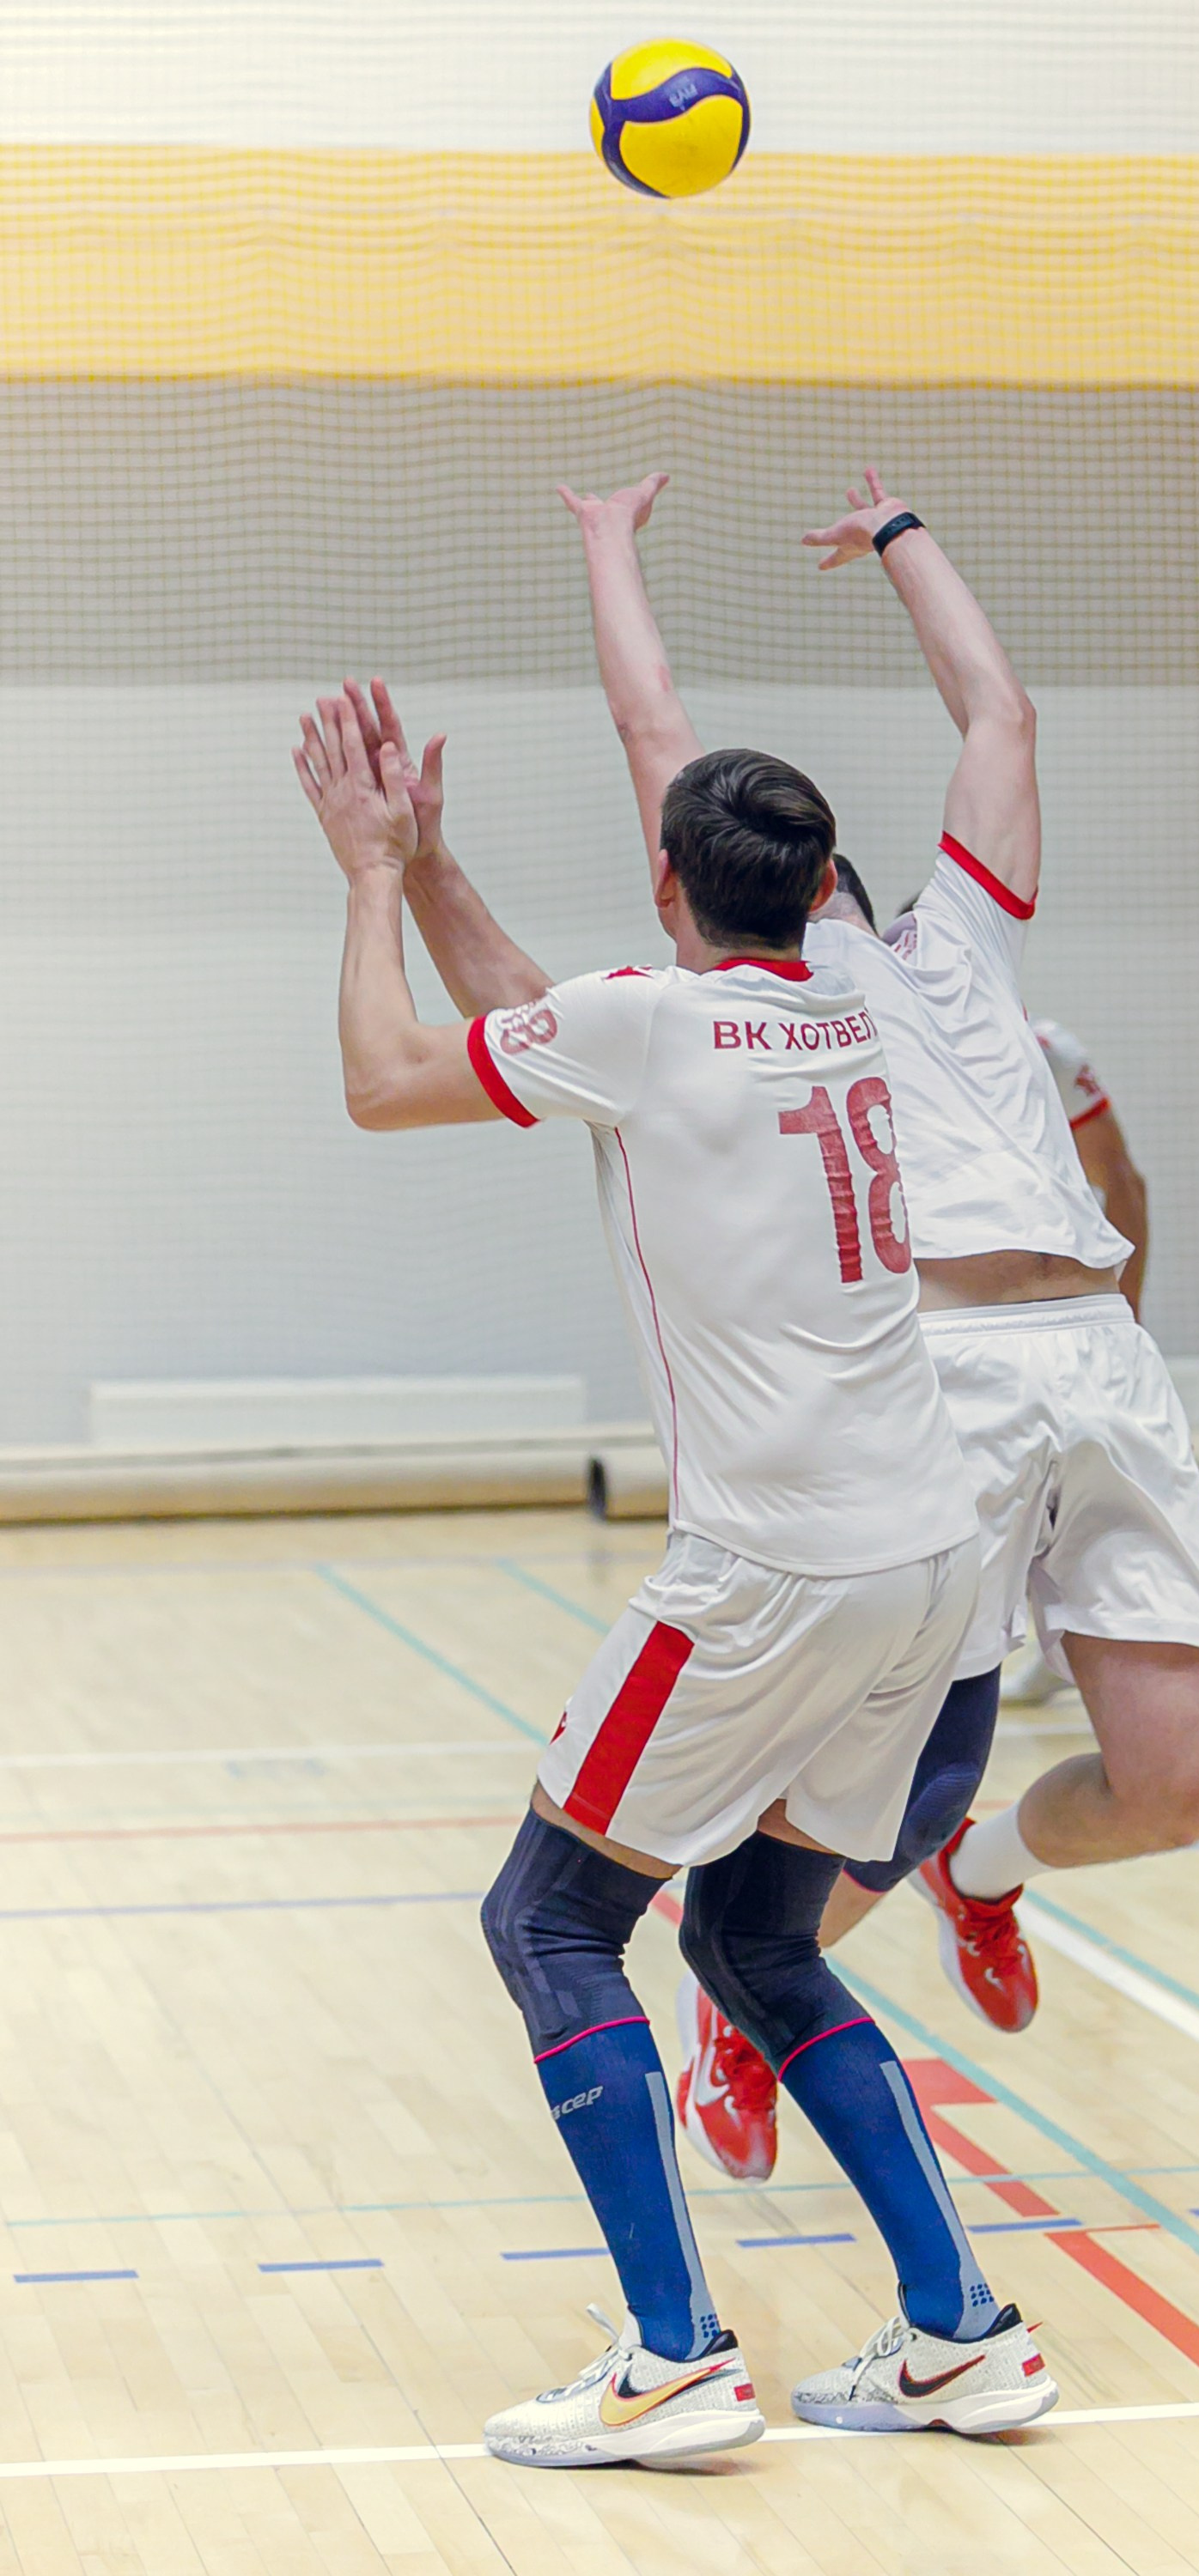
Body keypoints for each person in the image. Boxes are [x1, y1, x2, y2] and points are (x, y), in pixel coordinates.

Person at [291, 626, 1056, 2464]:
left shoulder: (654, 1024)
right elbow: (569, 1036)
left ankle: (672, 2354)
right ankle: (961, 2333)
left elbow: (389, 1074)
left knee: (551, 1922)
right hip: (933, 1570)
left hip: (771, 1572)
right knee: (759, 1945)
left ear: (664, 882)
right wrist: (448, 871)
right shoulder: (831, 1010)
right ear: (817, 883)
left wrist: (374, 878)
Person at [565, 467, 1199, 2190]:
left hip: (1100, 1365)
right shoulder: (752, 1004)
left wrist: (903, 538)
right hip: (937, 1382)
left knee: (1174, 1786)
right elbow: (660, 740)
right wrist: (606, 543)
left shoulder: (970, 953)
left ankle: (991, 1876)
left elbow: (997, 709)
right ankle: (747, 1995)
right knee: (913, 1772)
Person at [1004, 1017, 1199, 1716]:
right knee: (1051, 1494)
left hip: (1065, 1319)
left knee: (1123, 1496)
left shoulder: (1046, 1047)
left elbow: (1124, 1182)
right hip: (989, 1321)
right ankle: (1069, 1641)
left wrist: (1128, 1314)